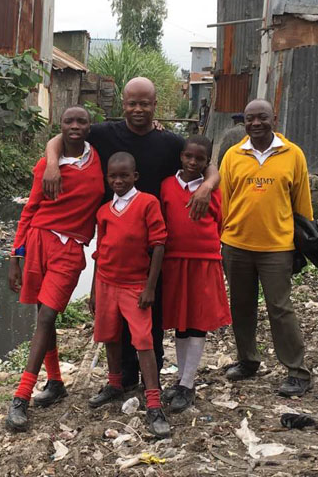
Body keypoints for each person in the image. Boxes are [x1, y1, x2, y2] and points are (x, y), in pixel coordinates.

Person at [41, 77, 220, 390]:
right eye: (132, 103)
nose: (138, 109)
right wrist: (52, 164)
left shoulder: (171, 143)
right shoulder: (103, 134)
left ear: (155, 106)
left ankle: (152, 380)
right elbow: (63, 136)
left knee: (152, 308)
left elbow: (208, 166)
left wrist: (206, 186)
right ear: (123, 104)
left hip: (155, 241)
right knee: (116, 315)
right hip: (114, 234)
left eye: (145, 104)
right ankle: (123, 378)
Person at [6, 106, 105, 431]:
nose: (75, 126)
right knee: (41, 317)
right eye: (68, 121)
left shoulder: (99, 162)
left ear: (90, 127)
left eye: (81, 121)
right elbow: (30, 210)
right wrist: (14, 257)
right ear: (59, 125)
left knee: (48, 316)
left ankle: (20, 397)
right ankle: (56, 381)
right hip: (37, 241)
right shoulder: (45, 165)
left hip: (71, 249)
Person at [219, 99, 314, 397]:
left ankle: (297, 371)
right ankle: (248, 360)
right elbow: (222, 202)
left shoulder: (292, 154)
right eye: (250, 119)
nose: (256, 123)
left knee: (280, 308)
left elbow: (302, 205)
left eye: (262, 117)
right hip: (236, 245)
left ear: (275, 117)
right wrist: (218, 238)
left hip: (277, 247)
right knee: (241, 306)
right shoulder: (234, 156)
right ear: (243, 122)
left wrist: (304, 246)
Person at [88, 152, 170, 438]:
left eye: (124, 176)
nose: (118, 181)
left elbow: (159, 245)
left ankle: (154, 402)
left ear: (135, 176)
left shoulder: (148, 203)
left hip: (135, 285)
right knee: (109, 335)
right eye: (113, 176)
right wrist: (94, 290)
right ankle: (114, 384)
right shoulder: (104, 211)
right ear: (107, 178)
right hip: (107, 283)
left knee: (143, 341)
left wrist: (150, 287)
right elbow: (99, 252)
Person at [159, 135, 232, 413]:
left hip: (203, 261)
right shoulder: (166, 186)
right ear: (181, 156)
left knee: (198, 321)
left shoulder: (213, 190)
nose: (192, 162)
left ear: (207, 162)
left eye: (199, 159)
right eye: (188, 156)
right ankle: (180, 379)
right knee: (180, 321)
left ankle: (188, 383)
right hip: (174, 262)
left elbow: (221, 223)